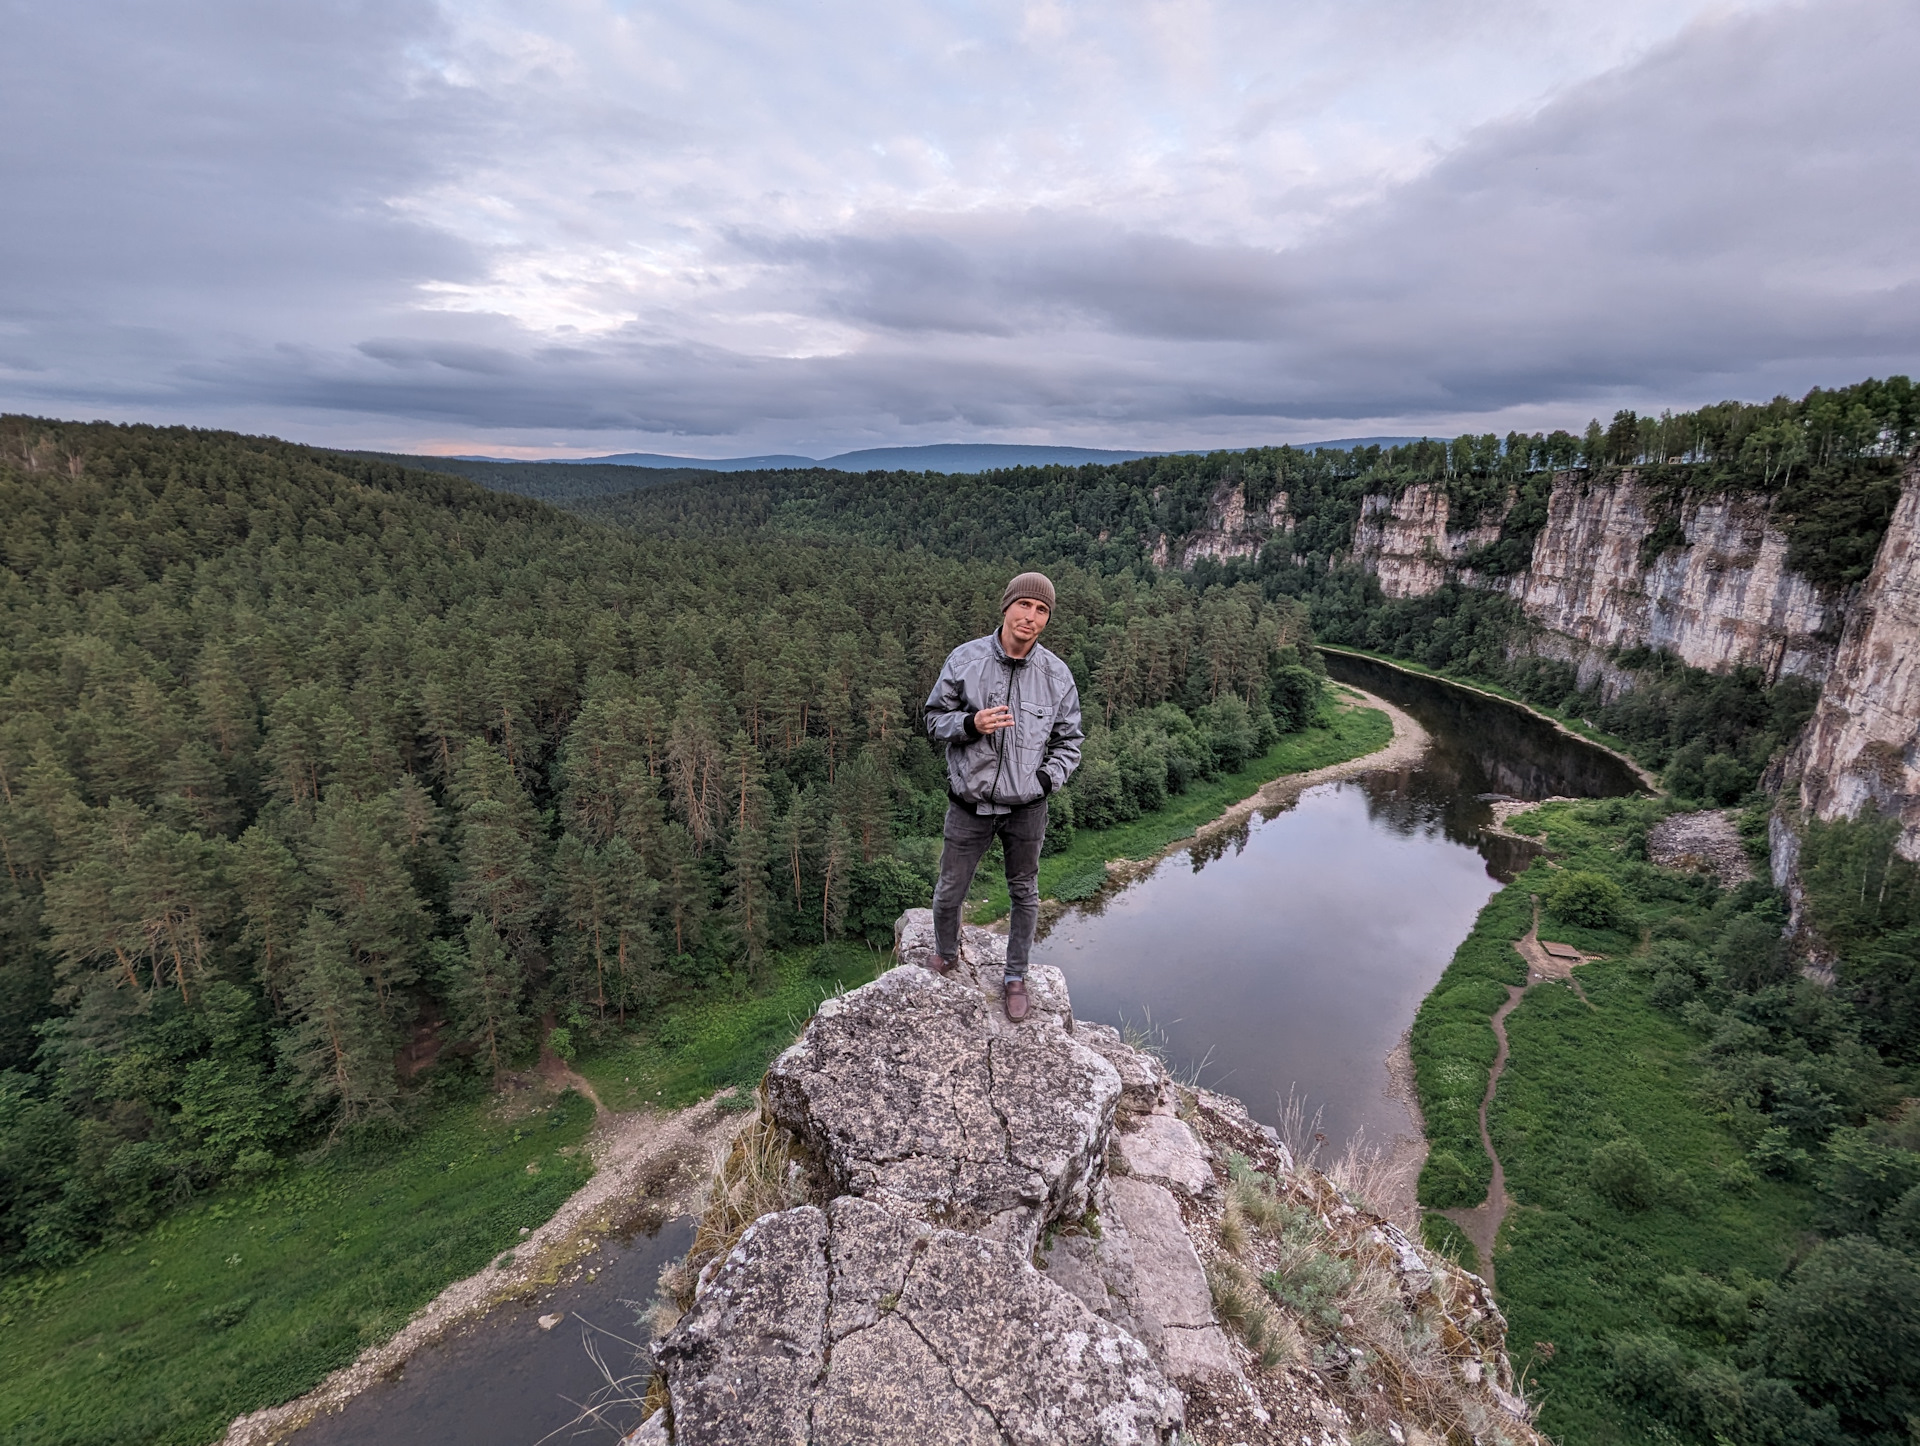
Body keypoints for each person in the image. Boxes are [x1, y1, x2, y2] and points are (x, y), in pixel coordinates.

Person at [923, 571, 1084, 1020]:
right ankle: (946, 953)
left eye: (1042, 611)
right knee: (949, 891)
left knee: (1025, 893)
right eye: (1025, 606)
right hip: (968, 805)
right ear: (1007, 607)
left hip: (1026, 810)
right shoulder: (965, 660)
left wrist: (1046, 782)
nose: (1031, 618)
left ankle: (1015, 977)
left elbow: (1071, 740)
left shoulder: (1056, 675)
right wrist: (971, 724)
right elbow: (934, 719)